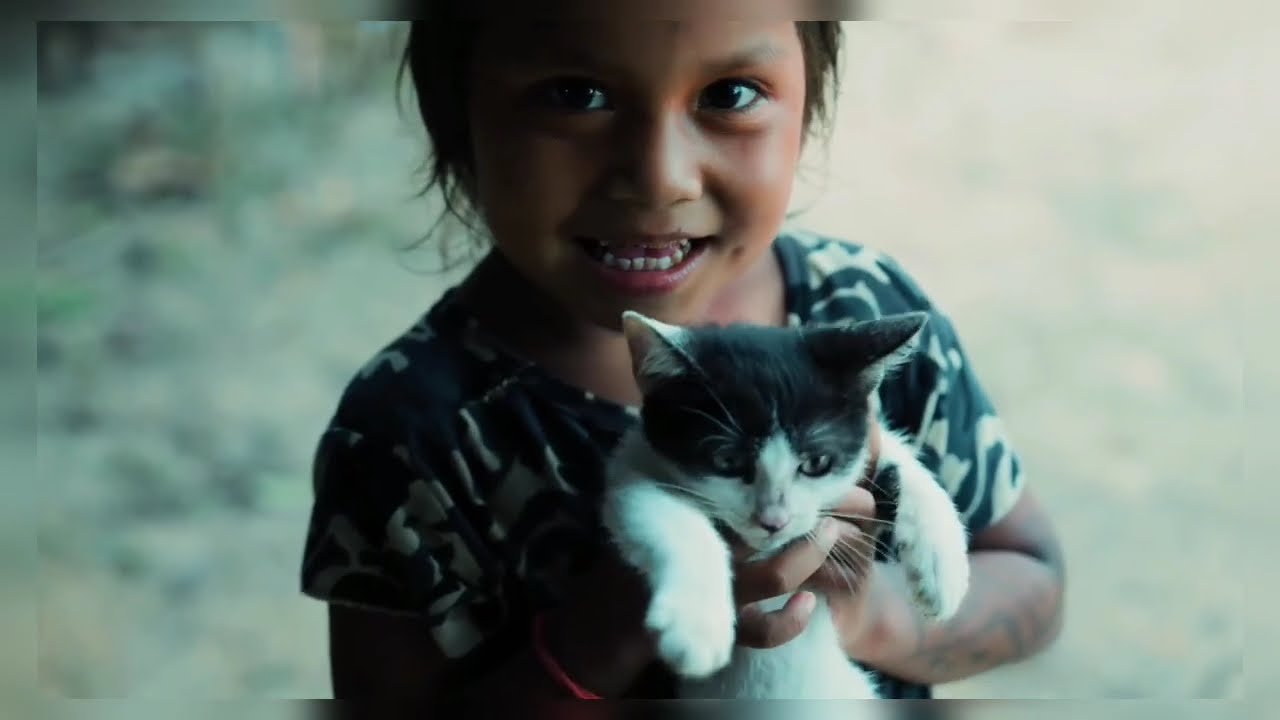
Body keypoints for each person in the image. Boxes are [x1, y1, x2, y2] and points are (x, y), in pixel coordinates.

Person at [299, 10, 1066, 707]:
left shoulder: (864, 312)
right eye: (575, 93)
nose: (662, 177)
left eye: (731, 93)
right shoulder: (407, 432)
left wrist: (867, 613)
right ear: (452, 117)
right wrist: (599, 639)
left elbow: (1033, 579)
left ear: (811, 104)